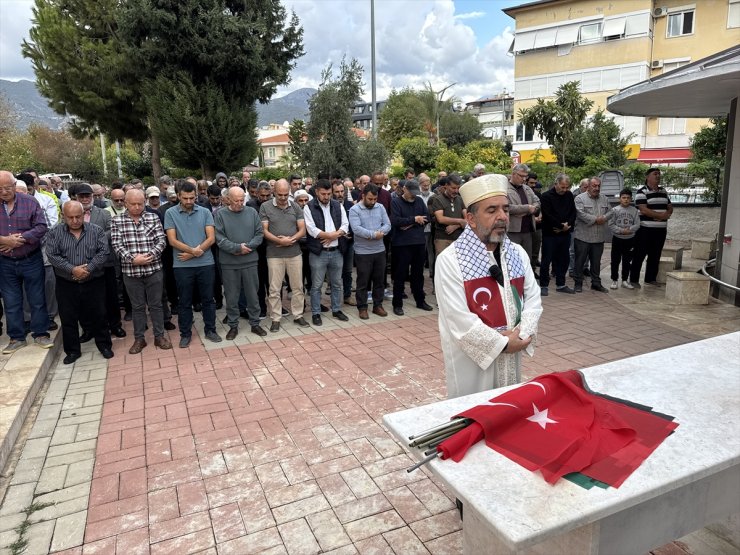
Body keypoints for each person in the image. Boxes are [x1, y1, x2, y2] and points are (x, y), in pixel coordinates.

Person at [435, 174, 542, 398]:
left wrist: (522, 334)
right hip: (472, 366)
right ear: (471, 219)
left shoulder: (518, 254)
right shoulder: (450, 261)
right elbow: (458, 320)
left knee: (507, 411)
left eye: (505, 209)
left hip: (513, 348)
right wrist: (502, 343)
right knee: (473, 414)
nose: (502, 216)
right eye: (492, 211)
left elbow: (533, 298)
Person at [46, 201, 113, 364]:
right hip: (66, 282)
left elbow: (103, 252)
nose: (75, 221)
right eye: (70, 217)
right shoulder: (55, 232)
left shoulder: (96, 231)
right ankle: (73, 351)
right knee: (68, 318)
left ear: (84, 215)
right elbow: (52, 255)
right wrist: (72, 269)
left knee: (99, 314)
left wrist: (87, 269)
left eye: (78, 216)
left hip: (93, 280)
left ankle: (104, 345)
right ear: (63, 217)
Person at [111, 189, 173, 353]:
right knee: (137, 307)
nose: (137, 207)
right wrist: (133, 259)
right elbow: (117, 245)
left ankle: (159, 336)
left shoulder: (153, 217)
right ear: (126, 203)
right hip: (131, 273)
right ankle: (140, 339)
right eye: (133, 204)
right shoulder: (117, 221)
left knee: (157, 305)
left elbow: (161, 240)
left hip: (154, 269)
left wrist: (151, 255)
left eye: (140, 203)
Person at [164, 181, 221, 348]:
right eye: (185, 198)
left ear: (196, 196)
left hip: (205, 263)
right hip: (182, 266)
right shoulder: (170, 213)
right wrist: (192, 251)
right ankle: (185, 333)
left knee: (208, 299)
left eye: (192, 198)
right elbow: (172, 240)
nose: (189, 201)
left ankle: (210, 330)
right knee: (184, 301)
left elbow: (211, 238)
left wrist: (194, 252)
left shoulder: (204, 212)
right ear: (179, 196)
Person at [0, 170, 52, 353]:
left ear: (14, 186)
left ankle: (41, 334)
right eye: (0, 189)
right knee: (11, 301)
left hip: (30, 259)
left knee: (37, 298)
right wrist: (4, 240)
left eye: (7, 187)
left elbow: (41, 227)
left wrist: (19, 239)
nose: (4, 192)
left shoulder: (30, 202)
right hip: (5, 262)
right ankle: (16, 337)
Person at [215, 187, 267, 339]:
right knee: (231, 296)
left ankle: (255, 323)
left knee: (253, 295)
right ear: (228, 200)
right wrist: (237, 248)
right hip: (229, 263)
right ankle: (233, 325)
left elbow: (259, 234)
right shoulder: (220, 215)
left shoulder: (251, 213)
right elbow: (219, 238)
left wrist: (248, 247)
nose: (239, 203)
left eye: (241, 200)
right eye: (236, 200)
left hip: (250, 261)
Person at [260, 179, 307, 331]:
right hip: (274, 254)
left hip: (294, 253)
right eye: (280, 194)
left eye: (286, 194)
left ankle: (298, 315)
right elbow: (264, 231)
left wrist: (290, 240)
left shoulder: (295, 206)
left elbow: (302, 229)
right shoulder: (265, 206)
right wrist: (280, 241)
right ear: (274, 192)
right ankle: (275, 318)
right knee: (274, 288)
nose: (283, 197)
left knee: (298, 286)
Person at [304, 179, 350, 325]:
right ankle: (316, 313)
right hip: (319, 252)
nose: (326, 197)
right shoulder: (309, 207)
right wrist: (330, 235)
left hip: (337, 251)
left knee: (337, 283)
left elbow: (345, 225)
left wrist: (333, 235)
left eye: (328, 193)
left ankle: (336, 309)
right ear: (317, 192)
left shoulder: (337, 205)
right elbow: (311, 230)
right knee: (316, 285)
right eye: (323, 194)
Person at [390, 179, 433, 315]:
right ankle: (397, 304)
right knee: (400, 274)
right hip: (401, 244)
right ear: (404, 189)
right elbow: (396, 221)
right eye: (411, 192)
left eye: (415, 193)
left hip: (419, 243)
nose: (413, 195)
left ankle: (420, 301)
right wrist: (414, 220)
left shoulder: (419, 201)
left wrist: (408, 224)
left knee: (418, 274)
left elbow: (427, 218)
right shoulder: (396, 202)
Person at [349, 184, 392, 319]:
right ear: (363, 196)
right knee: (363, 281)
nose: (373, 202)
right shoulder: (354, 209)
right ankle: (362, 307)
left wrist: (380, 233)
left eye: (375, 199)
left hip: (379, 250)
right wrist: (374, 235)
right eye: (370, 199)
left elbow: (388, 224)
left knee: (379, 280)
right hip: (363, 252)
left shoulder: (380, 207)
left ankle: (377, 305)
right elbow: (356, 229)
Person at [629, 168, 673, 287]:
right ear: (647, 177)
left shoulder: (663, 191)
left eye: (659, 174)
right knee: (639, 254)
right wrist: (660, 215)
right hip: (645, 229)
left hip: (660, 230)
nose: (658, 176)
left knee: (655, 254)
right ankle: (633, 279)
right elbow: (643, 209)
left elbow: (669, 206)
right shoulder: (641, 192)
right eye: (655, 174)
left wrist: (667, 214)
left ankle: (650, 278)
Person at [539, 173, 576, 296]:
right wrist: (561, 226)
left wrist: (567, 226)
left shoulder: (569, 195)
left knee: (564, 259)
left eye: (567, 187)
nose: (564, 190)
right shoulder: (546, 196)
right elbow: (548, 216)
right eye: (562, 187)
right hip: (550, 233)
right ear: (556, 184)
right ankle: (543, 285)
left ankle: (561, 284)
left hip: (565, 234)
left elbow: (573, 212)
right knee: (546, 259)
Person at [573, 176, 611, 293]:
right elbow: (580, 213)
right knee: (580, 261)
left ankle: (596, 283)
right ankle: (578, 283)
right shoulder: (579, 198)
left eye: (599, 186)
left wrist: (604, 217)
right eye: (594, 186)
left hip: (598, 238)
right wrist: (596, 219)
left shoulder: (604, 198)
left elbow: (611, 211)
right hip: (583, 237)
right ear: (588, 186)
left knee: (596, 262)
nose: (597, 188)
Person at [507, 163, 540, 265]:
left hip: (528, 231)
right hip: (513, 231)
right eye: (521, 176)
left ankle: (527, 280)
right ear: (513, 174)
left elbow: (537, 202)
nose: (524, 179)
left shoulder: (527, 188)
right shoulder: (505, 189)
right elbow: (507, 207)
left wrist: (533, 209)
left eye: (525, 176)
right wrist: (527, 208)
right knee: (513, 261)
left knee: (527, 261)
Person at [608, 189, 641, 289]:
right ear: (620, 199)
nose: (626, 200)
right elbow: (611, 224)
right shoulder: (614, 210)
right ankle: (614, 280)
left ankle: (625, 280)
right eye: (624, 198)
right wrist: (621, 230)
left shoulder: (634, 210)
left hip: (630, 239)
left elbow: (637, 224)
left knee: (627, 261)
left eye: (628, 198)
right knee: (615, 260)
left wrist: (630, 230)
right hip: (618, 239)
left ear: (631, 199)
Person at [428, 173, 466, 255]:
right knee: (443, 265)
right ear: (446, 186)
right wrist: (460, 221)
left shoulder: (460, 199)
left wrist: (456, 226)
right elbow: (441, 219)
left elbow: (467, 220)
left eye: (458, 188)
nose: (456, 191)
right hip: (442, 239)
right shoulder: (438, 199)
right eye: (453, 188)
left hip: (459, 239)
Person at [332, 181, 356, 307]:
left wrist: (349, 233)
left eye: (342, 191)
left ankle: (347, 295)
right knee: (334, 272)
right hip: (334, 243)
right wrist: (339, 233)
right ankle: (334, 298)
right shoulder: (329, 205)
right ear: (332, 192)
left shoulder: (350, 205)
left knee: (347, 271)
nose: (340, 194)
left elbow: (354, 223)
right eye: (337, 192)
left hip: (349, 242)